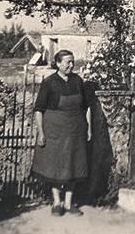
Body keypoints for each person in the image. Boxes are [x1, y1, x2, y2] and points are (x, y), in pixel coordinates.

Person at [31, 49, 92, 216]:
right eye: (67, 62)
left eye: (72, 62)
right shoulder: (49, 82)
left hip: (76, 131)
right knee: (55, 166)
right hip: (55, 131)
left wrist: (89, 129)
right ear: (58, 63)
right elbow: (38, 110)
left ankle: (69, 203)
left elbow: (86, 107)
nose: (71, 65)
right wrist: (41, 133)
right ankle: (57, 202)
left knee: (74, 165)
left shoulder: (78, 81)